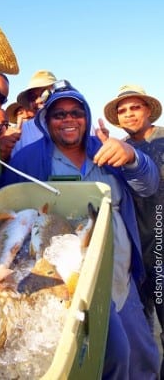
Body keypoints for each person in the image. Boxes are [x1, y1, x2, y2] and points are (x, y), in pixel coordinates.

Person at [0, 85, 161, 379]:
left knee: (141, 352)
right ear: (47, 121)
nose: (68, 119)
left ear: (86, 117)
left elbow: (148, 185)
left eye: (76, 112)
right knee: (99, 352)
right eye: (59, 114)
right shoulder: (28, 159)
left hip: (117, 267)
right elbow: (8, 208)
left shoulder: (106, 147)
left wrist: (133, 158)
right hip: (63, 272)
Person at [103, 84, 164, 373]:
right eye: (122, 110)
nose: (128, 114)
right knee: (143, 319)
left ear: (148, 110)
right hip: (137, 247)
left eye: (135, 107)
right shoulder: (119, 149)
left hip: (161, 243)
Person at [10, 69, 57, 156]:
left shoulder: (78, 124)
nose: (38, 100)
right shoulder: (22, 132)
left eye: (45, 94)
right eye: (33, 97)